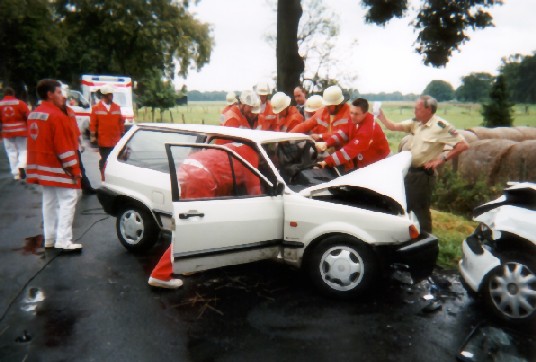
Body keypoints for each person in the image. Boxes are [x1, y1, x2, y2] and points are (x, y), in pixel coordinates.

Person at [148, 143, 260, 288]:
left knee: (190, 223)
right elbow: (255, 192)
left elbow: (223, 173)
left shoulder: (235, 144)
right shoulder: (252, 156)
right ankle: (160, 275)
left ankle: (188, 264)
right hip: (201, 177)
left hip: (189, 167)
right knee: (192, 229)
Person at [377, 95, 469, 232]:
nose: (415, 111)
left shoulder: (441, 127)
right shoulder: (416, 122)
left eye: (418, 109)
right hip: (410, 172)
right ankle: (410, 236)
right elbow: (393, 126)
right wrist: (381, 117)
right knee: (406, 206)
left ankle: (426, 239)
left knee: (420, 210)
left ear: (429, 110)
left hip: (423, 175)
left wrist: (440, 160)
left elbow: (463, 145)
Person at [27, 79, 82, 250]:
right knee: (69, 199)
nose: (62, 96)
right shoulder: (57, 116)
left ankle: (50, 238)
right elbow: (64, 148)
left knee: (49, 201)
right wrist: (75, 170)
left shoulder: (34, 114)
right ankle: (63, 241)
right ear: (50, 95)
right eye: (59, 92)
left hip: (41, 168)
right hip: (58, 168)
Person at [317, 98, 390, 173]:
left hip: (381, 164)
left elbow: (349, 151)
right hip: (366, 163)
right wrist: (327, 143)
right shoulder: (354, 119)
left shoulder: (368, 129)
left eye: (356, 114)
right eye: (351, 112)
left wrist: (327, 162)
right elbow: (343, 133)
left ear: (365, 113)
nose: (352, 116)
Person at [61, 84, 96, 195]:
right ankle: (83, 186)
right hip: (65, 146)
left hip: (72, 145)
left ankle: (85, 186)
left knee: (78, 167)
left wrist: (80, 142)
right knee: (74, 167)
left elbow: (75, 128)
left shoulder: (69, 111)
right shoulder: (61, 112)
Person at [89, 85, 125, 178]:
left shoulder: (116, 107)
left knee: (115, 160)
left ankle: (114, 177)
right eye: (110, 95)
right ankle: (104, 177)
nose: (112, 96)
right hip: (103, 141)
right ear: (105, 95)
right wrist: (93, 137)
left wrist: (123, 135)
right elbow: (93, 124)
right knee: (104, 160)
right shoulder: (96, 108)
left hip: (116, 140)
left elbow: (120, 122)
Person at [0, 87, 30, 180]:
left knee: (11, 152)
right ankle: (21, 166)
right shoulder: (20, 103)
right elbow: (28, 116)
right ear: (13, 94)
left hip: (7, 132)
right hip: (21, 131)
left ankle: (15, 173)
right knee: (23, 150)